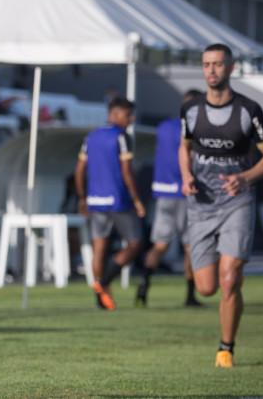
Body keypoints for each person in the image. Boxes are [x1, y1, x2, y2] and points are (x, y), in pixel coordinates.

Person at [179, 43, 263, 368]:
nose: (211, 70)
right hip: (201, 205)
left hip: (237, 201)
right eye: (207, 64)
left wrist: (246, 178)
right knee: (206, 287)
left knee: (228, 279)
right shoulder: (191, 110)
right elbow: (185, 148)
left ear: (231, 68)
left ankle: (226, 349)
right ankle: (230, 281)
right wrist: (185, 176)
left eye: (218, 64)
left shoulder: (249, 110)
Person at [74, 97, 146, 311]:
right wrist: (137, 199)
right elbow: (126, 171)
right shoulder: (122, 136)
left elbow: (79, 170)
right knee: (135, 244)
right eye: (128, 115)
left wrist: (81, 197)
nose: (131, 119)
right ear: (114, 114)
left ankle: (99, 300)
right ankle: (105, 281)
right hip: (118, 200)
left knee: (99, 249)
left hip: (95, 201)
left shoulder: (91, 136)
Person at [136, 89, 204, 308]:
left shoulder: (164, 126)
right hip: (185, 193)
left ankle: (144, 286)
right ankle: (190, 296)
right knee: (189, 246)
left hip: (162, 193)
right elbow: (190, 157)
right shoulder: (194, 129)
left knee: (159, 244)